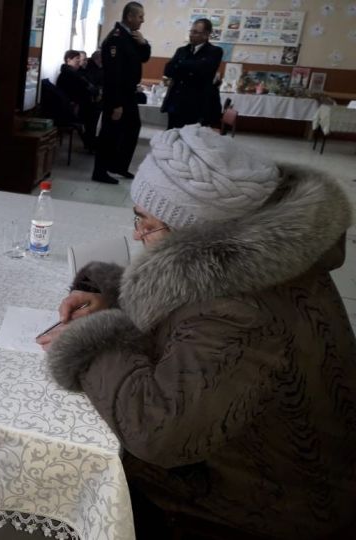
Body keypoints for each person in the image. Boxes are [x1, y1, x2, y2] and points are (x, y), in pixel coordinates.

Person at [38, 125, 356, 539]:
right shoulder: (267, 259)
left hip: (266, 507)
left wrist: (95, 341)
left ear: (195, 236)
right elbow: (190, 310)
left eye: (146, 224)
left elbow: (158, 433)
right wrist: (117, 297)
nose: (137, 234)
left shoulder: (241, 310)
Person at [92, 1, 151, 184]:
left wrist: (144, 43)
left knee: (132, 127)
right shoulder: (116, 38)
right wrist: (116, 103)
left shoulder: (131, 36)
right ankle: (100, 171)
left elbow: (144, 57)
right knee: (110, 132)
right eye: (140, 16)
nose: (143, 20)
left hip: (128, 92)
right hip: (116, 93)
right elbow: (113, 73)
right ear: (130, 17)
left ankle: (118, 165)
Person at [161, 18, 224, 129]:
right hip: (176, 101)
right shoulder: (182, 50)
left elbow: (203, 70)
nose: (191, 35)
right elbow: (168, 69)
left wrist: (180, 64)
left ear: (206, 34)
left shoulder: (215, 51)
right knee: (170, 136)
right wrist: (190, 66)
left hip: (197, 105)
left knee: (190, 139)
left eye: (195, 32)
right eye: (191, 31)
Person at [57, 49, 99, 151]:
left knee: (94, 110)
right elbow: (79, 91)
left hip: (76, 104)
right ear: (68, 60)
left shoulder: (73, 72)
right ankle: (90, 143)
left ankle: (91, 142)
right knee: (93, 112)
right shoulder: (68, 74)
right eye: (77, 59)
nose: (79, 62)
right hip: (71, 108)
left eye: (80, 59)